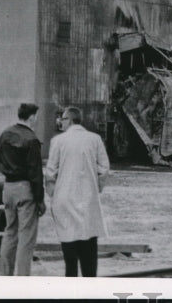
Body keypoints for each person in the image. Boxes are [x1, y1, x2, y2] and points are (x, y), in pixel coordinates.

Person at [45, 106, 110, 277]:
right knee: (89, 248)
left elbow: (50, 172)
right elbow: (104, 168)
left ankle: (71, 291)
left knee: (70, 254)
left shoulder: (58, 141)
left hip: (64, 199)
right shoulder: (95, 139)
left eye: (63, 119)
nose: (61, 122)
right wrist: (96, 188)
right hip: (88, 199)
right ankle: (89, 288)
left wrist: (53, 193)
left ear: (70, 120)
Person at [0, 102, 45, 275]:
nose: (37, 120)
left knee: (10, 232)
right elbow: (35, 173)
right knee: (26, 238)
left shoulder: (4, 134)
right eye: (36, 117)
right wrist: (40, 199)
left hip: (8, 188)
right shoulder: (31, 139)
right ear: (31, 117)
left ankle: (5, 275)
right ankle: (23, 278)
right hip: (25, 189)